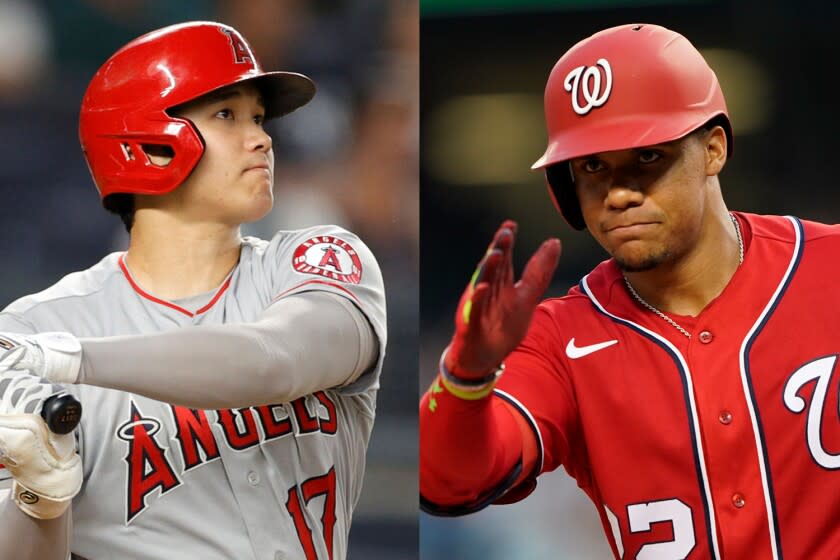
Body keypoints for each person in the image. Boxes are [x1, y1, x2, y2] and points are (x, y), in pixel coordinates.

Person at [419, 22, 840, 559]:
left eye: (647, 157)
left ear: (713, 149)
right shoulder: (558, 338)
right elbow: (447, 484)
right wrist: (465, 377)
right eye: (593, 165)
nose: (618, 192)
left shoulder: (829, 266)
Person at [0, 20, 386, 560]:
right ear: (146, 147)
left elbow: (276, 361)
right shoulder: (32, 328)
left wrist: (67, 360)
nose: (262, 137)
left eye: (257, 116)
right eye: (226, 115)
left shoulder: (317, 260)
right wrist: (37, 495)